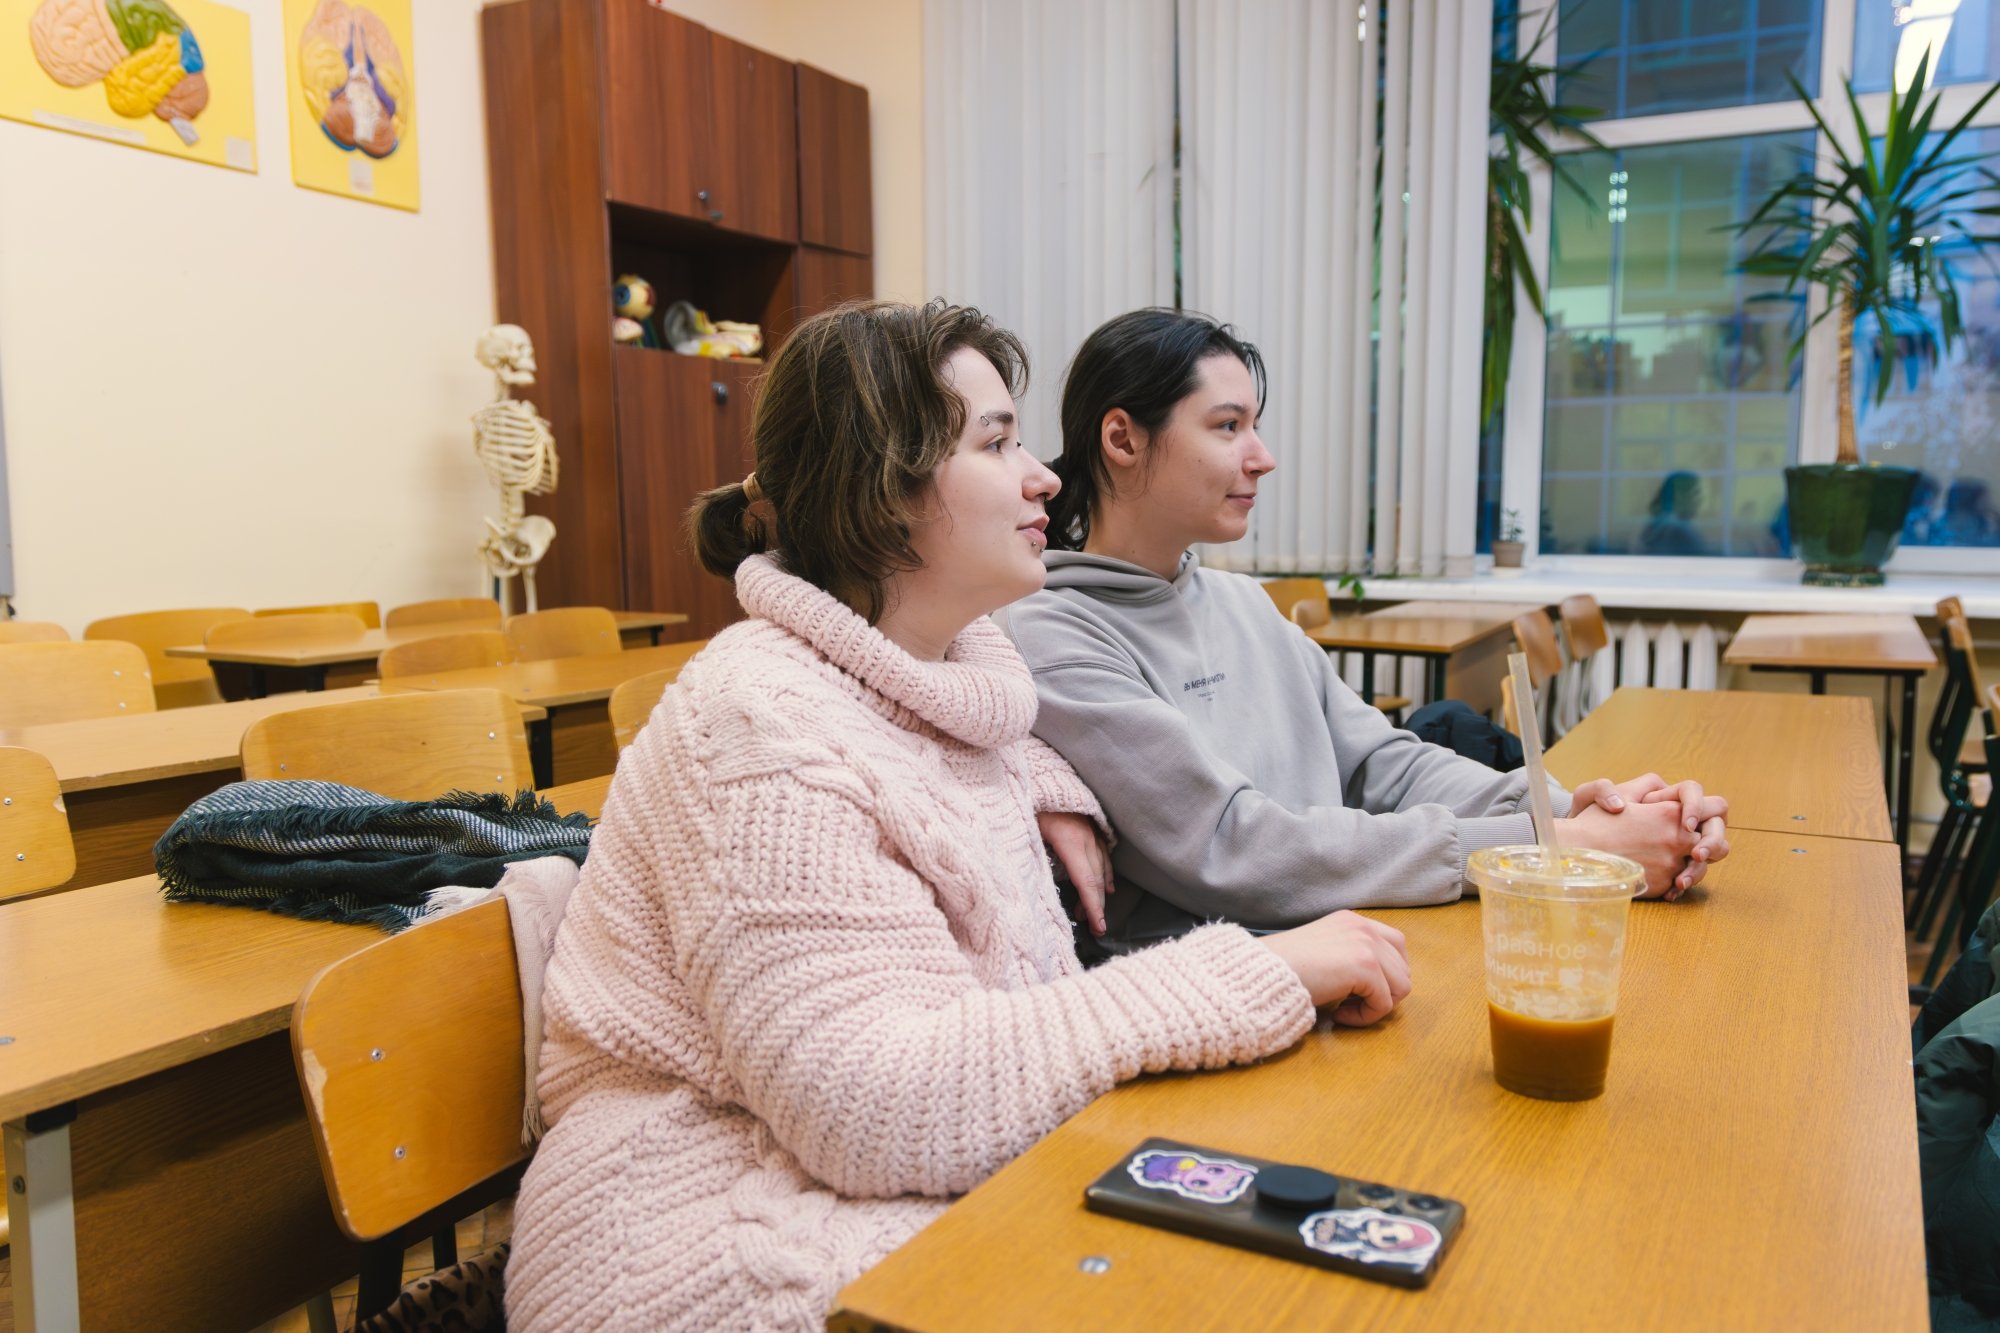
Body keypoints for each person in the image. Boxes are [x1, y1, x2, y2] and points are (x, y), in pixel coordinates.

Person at [505, 301, 1413, 1332]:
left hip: (907, 1170)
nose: (1044, 477)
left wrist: (1050, 779)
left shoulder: (951, 675)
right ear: (881, 490)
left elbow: (928, 736)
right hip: (706, 1230)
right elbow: (868, 1105)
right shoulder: (758, 724)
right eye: (996, 443)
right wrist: (1252, 969)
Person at [1005, 308, 1730, 952]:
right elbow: (1235, 848)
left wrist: (1588, 814)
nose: (1263, 456)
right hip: (1250, 989)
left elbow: (1382, 764)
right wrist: (1547, 846)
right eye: (1228, 426)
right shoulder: (1055, 633)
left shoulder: (1243, 602)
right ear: (1123, 439)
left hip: (1358, 939)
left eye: (1255, 425)